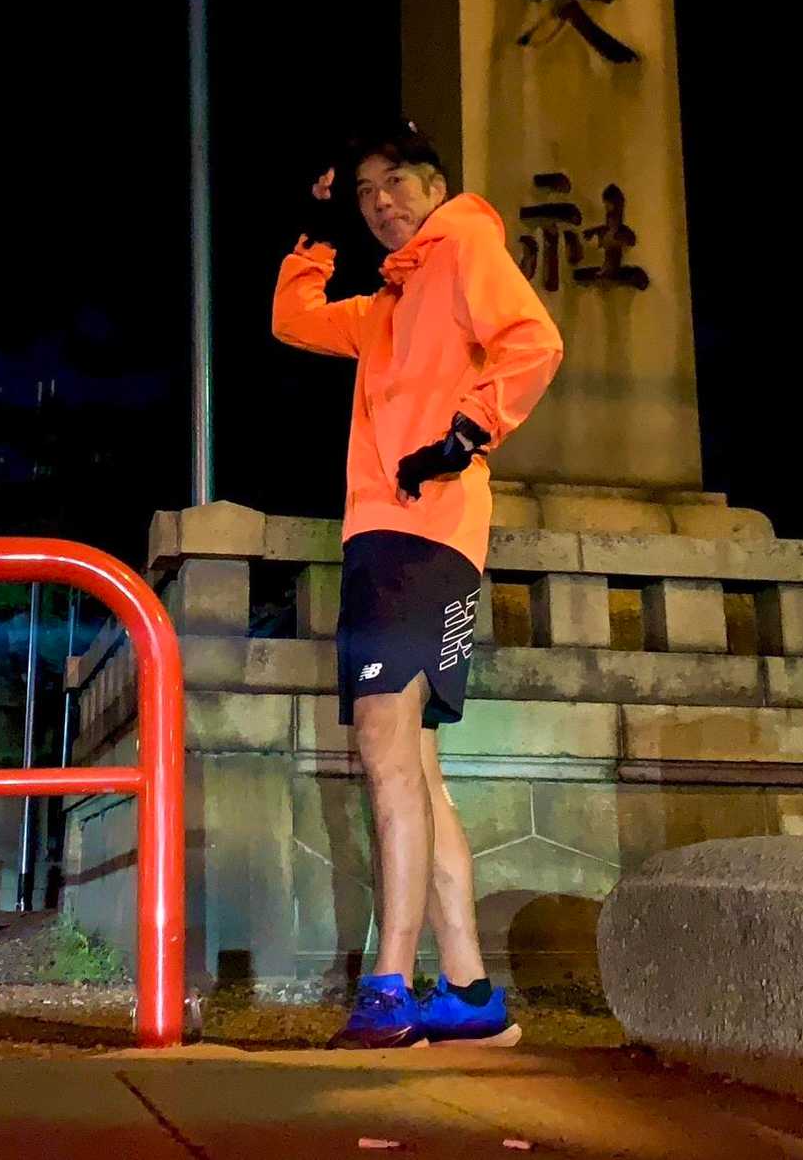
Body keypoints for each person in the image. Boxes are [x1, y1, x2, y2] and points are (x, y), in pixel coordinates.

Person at [272, 121, 563, 1049]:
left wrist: (466, 434)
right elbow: (293, 318)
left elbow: (534, 341)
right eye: (365, 193)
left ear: (435, 185)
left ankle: (389, 987)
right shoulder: (388, 304)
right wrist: (315, 230)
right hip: (393, 539)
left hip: (419, 536)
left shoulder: (465, 242)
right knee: (418, 769)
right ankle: (470, 993)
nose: (382, 203)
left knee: (384, 748)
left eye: (396, 181)